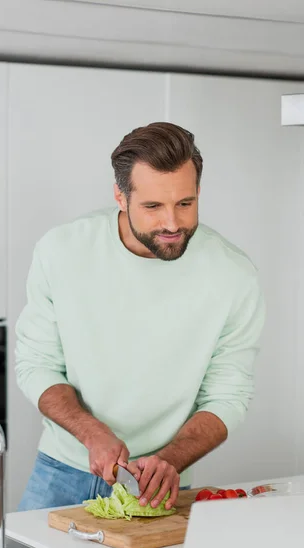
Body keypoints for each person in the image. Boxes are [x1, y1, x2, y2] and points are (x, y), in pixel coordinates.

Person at [15, 122, 265, 512]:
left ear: (198, 191)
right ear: (120, 195)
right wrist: (93, 433)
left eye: (185, 203)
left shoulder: (234, 274)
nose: (172, 223)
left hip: (161, 480)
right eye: (152, 207)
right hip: (63, 470)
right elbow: (37, 365)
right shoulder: (62, 251)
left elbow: (228, 395)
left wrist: (169, 460)